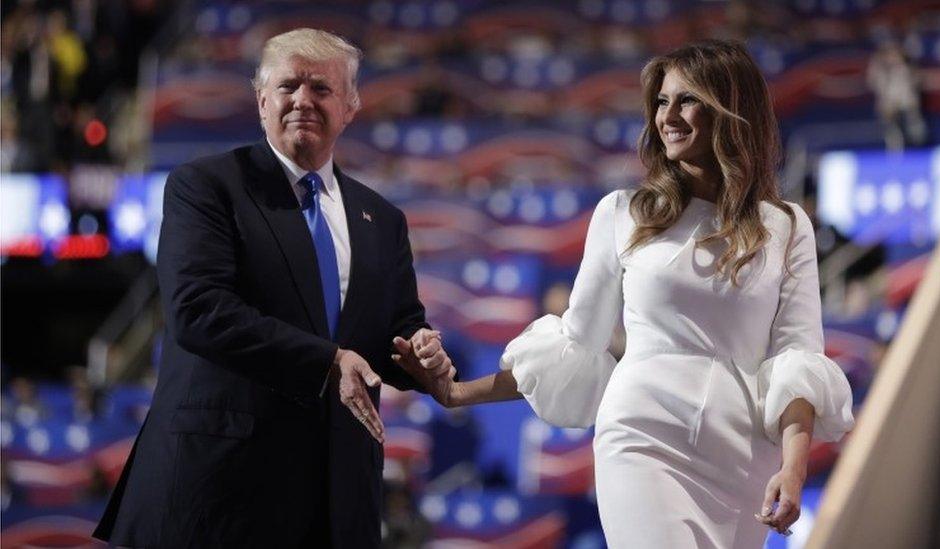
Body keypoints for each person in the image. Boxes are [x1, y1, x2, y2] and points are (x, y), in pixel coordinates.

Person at [401, 40, 854, 548]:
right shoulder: (622, 212)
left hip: (745, 453)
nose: (669, 117)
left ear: (731, 109)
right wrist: (459, 392)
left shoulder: (786, 226)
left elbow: (798, 356)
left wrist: (793, 470)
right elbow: (577, 345)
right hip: (642, 433)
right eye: (661, 102)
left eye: (687, 100)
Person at [93, 28, 454, 548]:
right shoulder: (206, 186)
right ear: (262, 100)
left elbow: (392, 329)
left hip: (335, 498)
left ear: (351, 105)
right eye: (287, 86)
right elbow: (197, 311)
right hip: (217, 492)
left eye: (321, 88)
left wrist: (421, 353)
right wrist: (328, 360)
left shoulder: (383, 219)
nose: (302, 100)